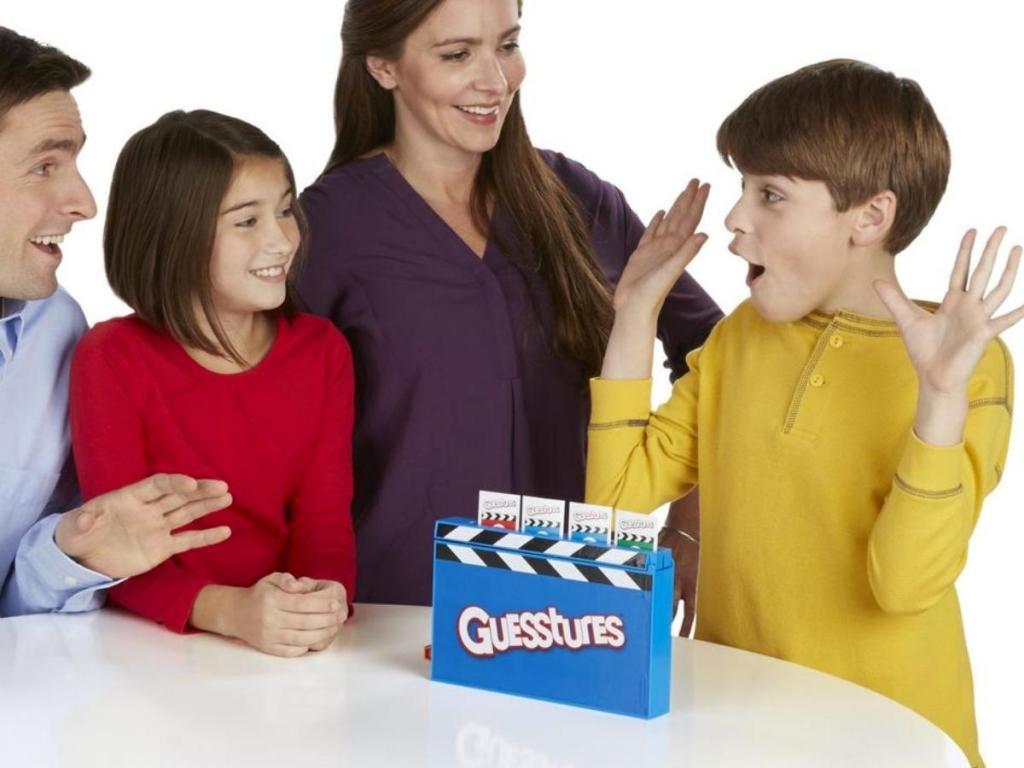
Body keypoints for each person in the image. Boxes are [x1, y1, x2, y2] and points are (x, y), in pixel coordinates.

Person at [586, 59, 1019, 767]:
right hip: (734, 731)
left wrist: (939, 400)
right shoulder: (741, 337)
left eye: (771, 195)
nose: (734, 218)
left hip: (892, 740)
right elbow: (614, 498)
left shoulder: (968, 363)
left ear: (870, 217)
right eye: (742, 189)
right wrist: (634, 313)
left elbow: (904, 584)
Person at [297, 0, 722, 613]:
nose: (495, 81)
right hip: (397, 615)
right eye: (457, 54)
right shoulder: (326, 228)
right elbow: (258, 420)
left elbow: (726, 358)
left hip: (579, 612)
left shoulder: (575, 198)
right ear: (383, 66)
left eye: (507, 45)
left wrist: (689, 521)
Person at [70, 110, 356, 657]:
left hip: (283, 645)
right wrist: (231, 611)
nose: (281, 240)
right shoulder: (110, 359)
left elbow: (324, 525)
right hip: (146, 652)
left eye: (285, 210)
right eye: (247, 221)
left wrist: (323, 599)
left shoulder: (322, 351)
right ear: (174, 234)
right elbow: (114, 553)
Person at [0, 27, 233, 617]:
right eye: (44, 166)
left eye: (73, 161)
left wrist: (69, 556)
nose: (84, 201)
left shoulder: (58, 332)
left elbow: (17, 617)